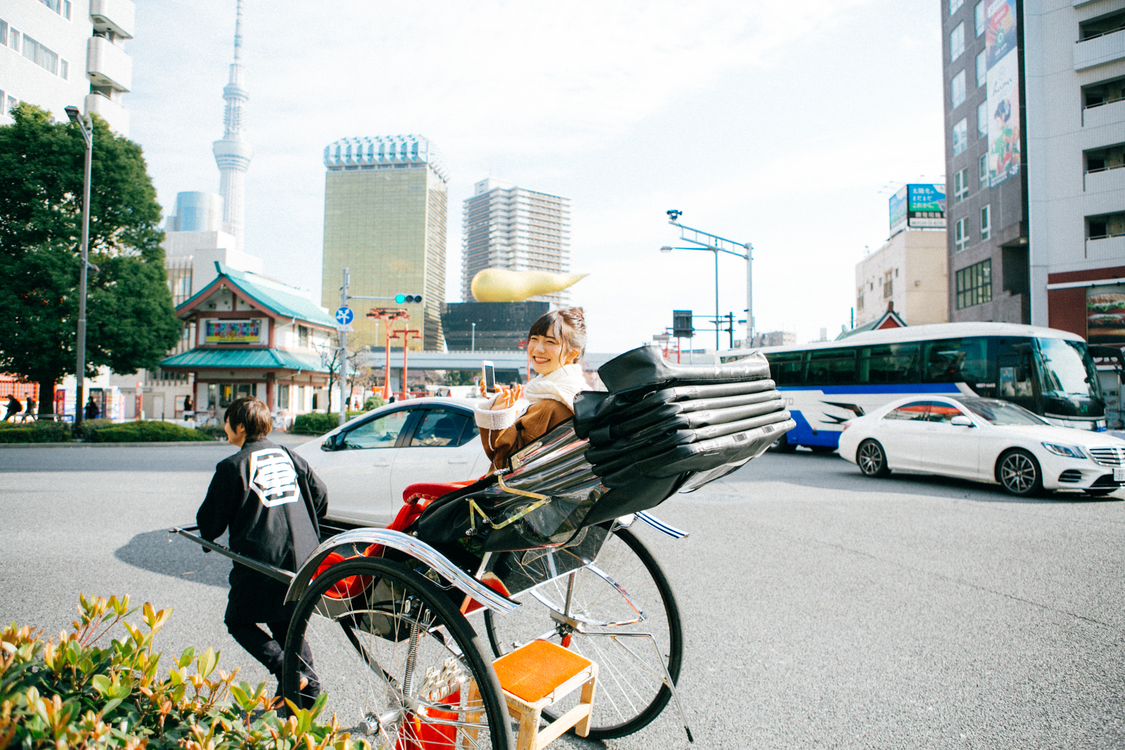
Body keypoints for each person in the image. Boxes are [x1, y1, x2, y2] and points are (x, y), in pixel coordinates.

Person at [196, 396, 329, 708]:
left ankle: (287, 672)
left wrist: (212, 529)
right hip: (304, 557)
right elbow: (321, 497)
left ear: (240, 426)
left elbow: (210, 522)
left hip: (262, 560)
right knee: (286, 623)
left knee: (238, 621)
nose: (224, 427)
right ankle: (304, 695)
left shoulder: (233, 466)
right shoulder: (289, 455)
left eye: (227, 422)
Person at [475, 308, 588, 472]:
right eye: (534, 339)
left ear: (572, 353)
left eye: (550, 342)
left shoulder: (551, 406)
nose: (538, 349)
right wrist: (503, 402)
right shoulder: (578, 394)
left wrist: (500, 414)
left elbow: (507, 464)